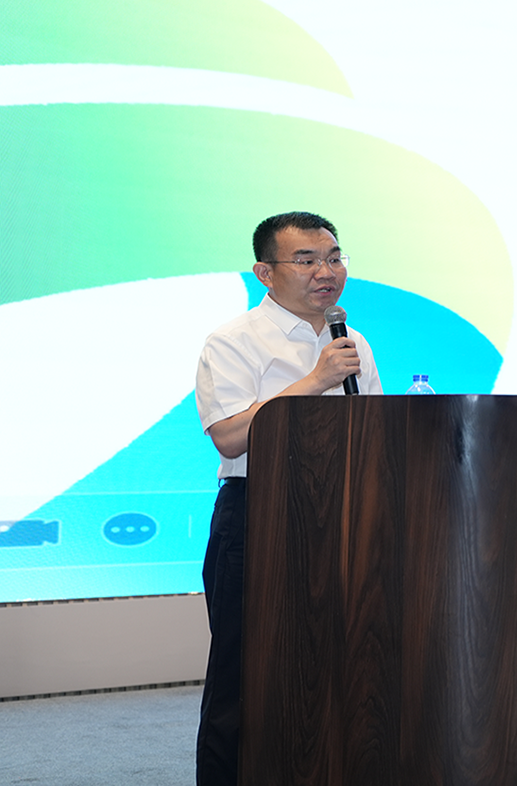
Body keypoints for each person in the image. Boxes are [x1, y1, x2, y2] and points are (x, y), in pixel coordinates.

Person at [191, 212, 381, 786]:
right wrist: (315, 380)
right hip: (259, 515)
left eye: (334, 258)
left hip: (342, 513)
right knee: (244, 674)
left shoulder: (352, 341)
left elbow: (374, 431)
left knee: (335, 667)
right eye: (307, 260)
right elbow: (229, 436)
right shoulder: (234, 340)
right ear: (265, 272)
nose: (327, 271)